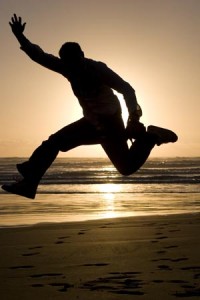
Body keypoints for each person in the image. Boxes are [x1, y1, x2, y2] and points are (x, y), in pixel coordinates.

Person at [2, 14, 178, 199]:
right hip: (91, 122)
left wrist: (133, 118)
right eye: (69, 64)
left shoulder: (97, 69)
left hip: (110, 122)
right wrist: (19, 36)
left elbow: (127, 89)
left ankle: (150, 137)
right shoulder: (66, 68)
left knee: (120, 165)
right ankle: (29, 183)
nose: (74, 68)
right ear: (65, 62)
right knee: (58, 144)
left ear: (82, 56)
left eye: (76, 62)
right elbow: (39, 56)